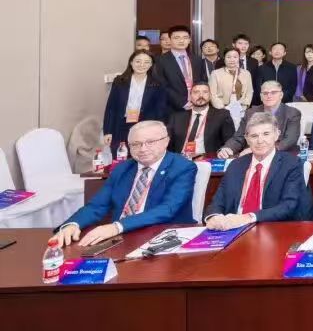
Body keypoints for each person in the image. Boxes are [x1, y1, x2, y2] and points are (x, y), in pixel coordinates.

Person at [51, 120, 195, 247]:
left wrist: (117, 227)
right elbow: (97, 205)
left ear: (166, 141)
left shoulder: (182, 167)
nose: (143, 149)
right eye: (136, 144)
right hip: (121, 238)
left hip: (164, 237)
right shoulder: (122, 168)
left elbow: (168, 209)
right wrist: (73, 224)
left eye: (150, 142)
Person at [204, 112, 310, 227]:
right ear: (247, 139)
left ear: (276, 135)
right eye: (254, 136)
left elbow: (289, 206)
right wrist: (214, 216)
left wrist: (248, 217)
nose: (260, 141)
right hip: (233, 228)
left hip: (272, 227)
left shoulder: (291, 164)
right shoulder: (235, 165)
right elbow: (218, 201)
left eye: (266, 134)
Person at [102, 50, 168, 153]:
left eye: (146, 62)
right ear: (131, 62)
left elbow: (160, 110)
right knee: (120, 155)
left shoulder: (158, 83)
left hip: (145, 126)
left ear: (151, 64)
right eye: (138, 61)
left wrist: (158, 131)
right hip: (121, 125)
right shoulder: (120, 81)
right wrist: (108, 131)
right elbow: (111, 107)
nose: (142, 65)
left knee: (143, 155)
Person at [220, 81, 302, 157]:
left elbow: (289, 140)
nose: (269, 96)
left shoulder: (292, 113)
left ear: (281, 95)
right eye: (265, 93)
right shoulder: (250, 112)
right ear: (261, 97)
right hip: (251, 157)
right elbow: (239, 137)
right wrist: (228, 148)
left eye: (273, 92)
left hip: (280, 155)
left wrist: (256, 150)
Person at [167, 82, 235, 157]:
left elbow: (230, 142)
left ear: (210, 96)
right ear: (190, 96)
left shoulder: (222, 115)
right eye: (196, 92)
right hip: (180, 159)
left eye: (205, 92)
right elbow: (167, 143)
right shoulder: (177, 117)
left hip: (207, 159)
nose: (201, 95)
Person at [153, 25, 205, 113]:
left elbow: (202, 80)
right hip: (172, 108)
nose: (181, 41)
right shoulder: (160, 60)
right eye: (177, 38)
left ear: (189, 40)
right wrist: (182, 103)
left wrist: (198, 99)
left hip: (197, 105)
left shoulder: (197, 59)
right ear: (170, 40)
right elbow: (161, 85)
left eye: (185, 37)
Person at [209, 47, 254, 116]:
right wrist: (222, 108)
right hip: (222, 109)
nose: (232, 60)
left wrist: (244, 106)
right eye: (228, 57)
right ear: (224, 59)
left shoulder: (246, 73)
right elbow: (212, 94)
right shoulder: (215, 73)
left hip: (241, 108)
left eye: (235, 57)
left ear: (239, 58)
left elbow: (249, 91)